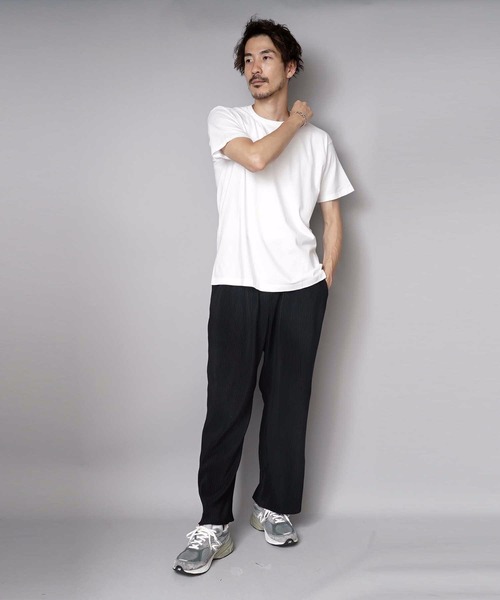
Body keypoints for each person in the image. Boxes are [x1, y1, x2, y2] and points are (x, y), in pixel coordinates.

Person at [173, 16, 354, 576]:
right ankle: (212, 523)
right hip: (237, 282)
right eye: (248, 59)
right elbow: (255, 158)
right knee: (226, 406)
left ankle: (272, 506)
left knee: (289, 405)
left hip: (300, 289)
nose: (254, 67)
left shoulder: (320, 143)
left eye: (266, 57)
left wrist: (323, 280)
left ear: (290, 66)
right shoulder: (226, 119)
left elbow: (332, 216)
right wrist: (296, 120)